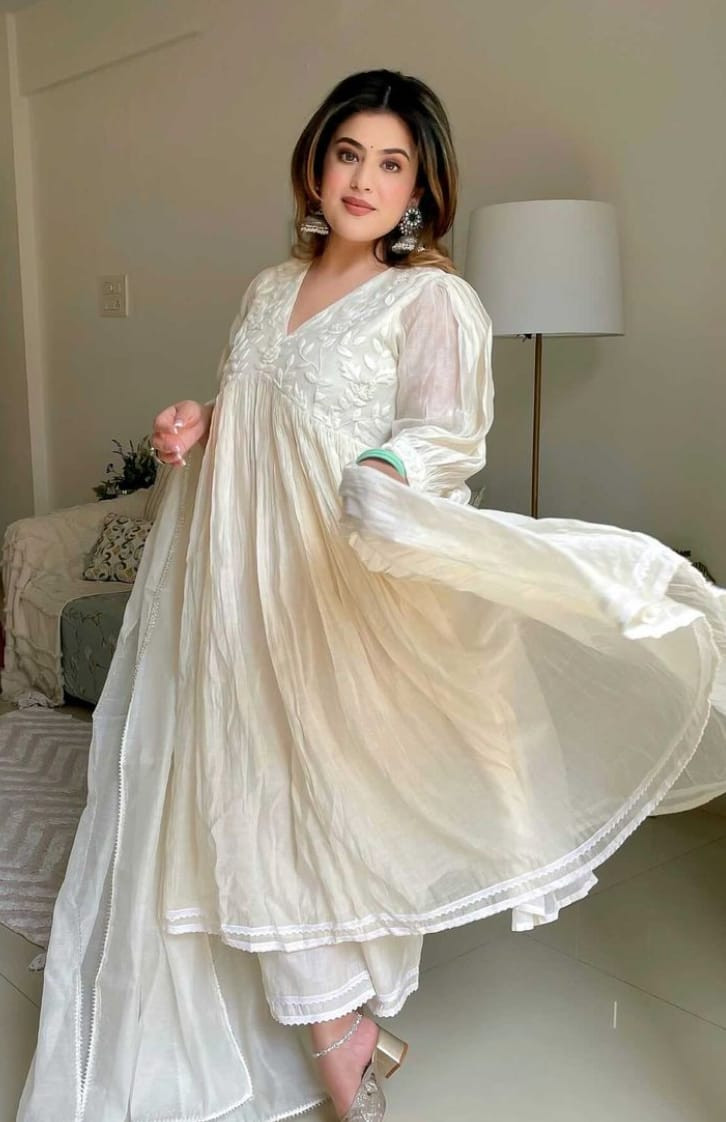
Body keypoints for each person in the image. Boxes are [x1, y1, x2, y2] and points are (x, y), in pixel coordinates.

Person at [19, 69, 726, 1122]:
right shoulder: (268, 287)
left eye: (392, 164)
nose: (364, 179)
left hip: (337, 585)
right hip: (235, 581)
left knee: (313, 799)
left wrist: (393, 464)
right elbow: (260, 406)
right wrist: (196, 425)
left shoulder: (432, 298)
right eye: (349, 153)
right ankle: (338, 1034)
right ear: (316, 163)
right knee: (239, 787)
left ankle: (339, 1033)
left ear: (420, 190)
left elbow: (444, 432)